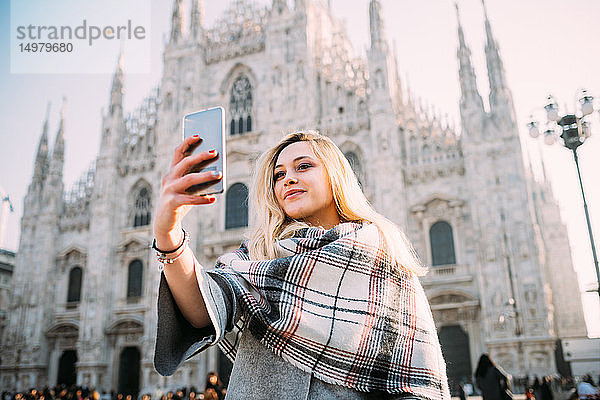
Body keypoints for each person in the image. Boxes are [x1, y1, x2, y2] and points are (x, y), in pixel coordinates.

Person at [152, 131, 450, 399]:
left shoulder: (383, 260)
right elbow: (203, 308)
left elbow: (414, 384)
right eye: (278, 175)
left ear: (336, 176)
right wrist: (169, 234)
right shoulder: (258, 257)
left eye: (303, 167)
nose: (288, 179)